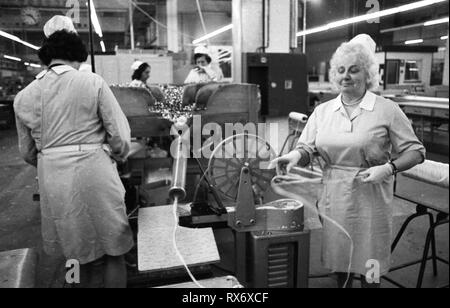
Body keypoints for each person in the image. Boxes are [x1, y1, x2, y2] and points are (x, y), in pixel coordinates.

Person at [269, 34, 426, 288]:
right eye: (341, 70)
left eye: (354, 70)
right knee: (338, 259)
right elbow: (308, 146)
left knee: (370, 263)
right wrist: (294, 155)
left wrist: (388, 168)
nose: (346, 76)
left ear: (368, 75)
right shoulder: (323, 111)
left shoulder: (386, 109)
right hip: (335, 195)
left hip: (372, 195)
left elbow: (416, 151)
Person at [13, 15, 134, 288]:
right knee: (114, 249)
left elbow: (27, 152)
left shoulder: (24, 96)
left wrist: (52, 158)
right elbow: (120, 137)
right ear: (77, 55)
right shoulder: (92, 82)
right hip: (94, 171)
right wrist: (117, 155)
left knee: (73, 253)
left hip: (52, 177)